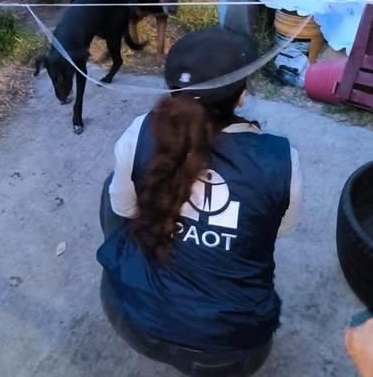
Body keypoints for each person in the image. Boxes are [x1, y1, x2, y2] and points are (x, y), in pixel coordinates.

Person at [96, 27, 302, 376]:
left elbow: (123, 210)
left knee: (114, 188)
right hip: (233, 351)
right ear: (241, 96)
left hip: (133, 319)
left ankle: (135, 270)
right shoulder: (282, 160)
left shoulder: (140, 130)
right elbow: (276, 231)